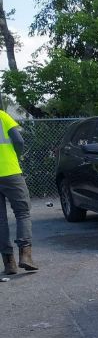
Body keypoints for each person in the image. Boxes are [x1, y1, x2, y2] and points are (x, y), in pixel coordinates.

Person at [0, 108, 38, 275]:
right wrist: (17, 157)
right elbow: (19, 140)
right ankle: (25, 255)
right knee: (22, 213)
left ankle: (9, 263)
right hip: (10, 172)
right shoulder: (2, 116)